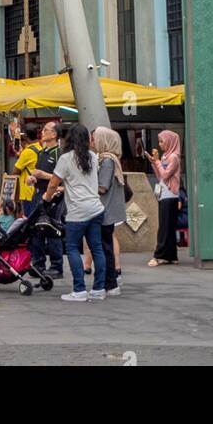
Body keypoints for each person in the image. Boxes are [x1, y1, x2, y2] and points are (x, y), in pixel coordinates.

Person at [44, 123, 106, 302]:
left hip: (77, 212)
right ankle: (99, 288)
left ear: (68, 139)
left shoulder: (66, 159)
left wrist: (47, 199)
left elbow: (53, 183)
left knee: (72, 247)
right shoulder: (93, 157)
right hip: (96, 209)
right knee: (96, 248)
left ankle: (79, 289)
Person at [26, 120, 65, 278]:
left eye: (46, 130)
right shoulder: (42, 152)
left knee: (51, 229)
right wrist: (32, 179)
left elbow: (62, 178)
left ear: (54, 134)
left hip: (53, 196)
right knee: (37, 229)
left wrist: (43, 175)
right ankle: (38, 263)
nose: (42, 132)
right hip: (38, 193)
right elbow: (37, 173)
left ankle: (56, 266)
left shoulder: (59, 153)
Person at [93, 126, 125, 297]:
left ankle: (110, 282)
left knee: (104, 247)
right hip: (109, 210)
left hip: (104, 210)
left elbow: (102, 187)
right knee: (106, 245)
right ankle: (110, 282)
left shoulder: (106, 161)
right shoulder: (112, 159)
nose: (93, 142)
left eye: (96, 138)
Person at [146, 130, 182, 265]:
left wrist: (158, 163)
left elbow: (166, 175)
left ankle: (158, 255)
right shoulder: (165, 157)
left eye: (162, 141)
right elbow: (160, 176)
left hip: (170, 195)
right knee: (167, 226)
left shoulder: (174, 157)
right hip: (164, 194)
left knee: (165, 227)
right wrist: (154, 163)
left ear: (169, 141)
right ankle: (171, 255)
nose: (160, 144)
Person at [13, 132, 39, 218]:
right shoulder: (40, 148)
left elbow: (16, 171)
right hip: (37, 190)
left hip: (28, 192)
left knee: (29, 220)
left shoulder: (27, 152)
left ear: (26, 138)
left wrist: (20, 156)